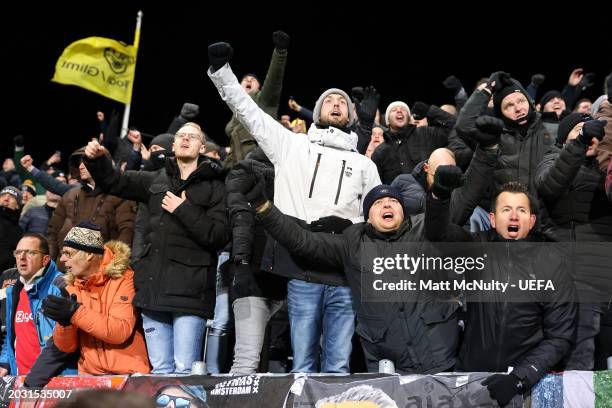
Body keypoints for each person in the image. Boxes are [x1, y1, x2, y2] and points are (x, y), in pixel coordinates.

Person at [208, 41, 381, 373]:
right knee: (301, 364)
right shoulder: (290, 144)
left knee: (337, 365)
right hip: (296, 264)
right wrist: (222, 72)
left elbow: (371, 217)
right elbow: (249, 112)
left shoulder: (363, 164)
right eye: (328, 100)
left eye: (342, 102)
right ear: (316, 112)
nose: (335, 104)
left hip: (340, 268)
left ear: (350, 115)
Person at [238, 177, 458, 374]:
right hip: (388, 368)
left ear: (403, 212)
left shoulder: (424, 230)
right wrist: (262, 205)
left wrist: (483, 155)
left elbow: (448, 214)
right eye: (378, 203)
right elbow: (301, 241)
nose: (387, 204)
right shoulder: (352, 244)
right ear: (368, 217)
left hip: (441, 361)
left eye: (394, 201)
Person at [82, 122, 229, 374]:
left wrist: (182, 209)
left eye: (192, 137)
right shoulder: (155, 179)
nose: (185, 140)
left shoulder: (216, 186)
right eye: (181, 136)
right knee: (160, 370)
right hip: (154, 291)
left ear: (202, 146)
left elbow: (218, 236)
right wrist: (98, 161)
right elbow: (114, 182)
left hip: (190, 293)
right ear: (173, 144)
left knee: (185, 370)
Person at [425, 181, 577, 406]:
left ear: (532, 221)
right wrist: (439, 197)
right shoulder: (476, 248)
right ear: (493, 219)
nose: (514, 216)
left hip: (527, 385)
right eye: (506, 210)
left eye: (521, 210)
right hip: (472, 379)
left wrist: (519, 378)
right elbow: (438, 235)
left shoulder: (552, 264)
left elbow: (560, 336)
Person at [536, 116, 609, 370]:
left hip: (605, 279)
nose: (589, 137)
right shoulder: (551, 159)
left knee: (602, 367)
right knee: (579, 362)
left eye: (592, 133)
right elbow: (549, 185)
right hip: (575, 279)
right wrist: (577, 144)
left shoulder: (606, 168)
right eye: (580, 131)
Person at [42, 222, 150, 375]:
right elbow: (67, 347)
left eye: (68, 253)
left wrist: (75, 313)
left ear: (89, 254)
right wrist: (64, 323)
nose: (63, 260)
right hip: (91, 376)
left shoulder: (123, 278)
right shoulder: (71, 287)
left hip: (129, 375)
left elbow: (119, 331)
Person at [0, 234, 76, 376]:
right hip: (22, 381)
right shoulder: (14, 292)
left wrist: (36, 379)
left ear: (45, 259)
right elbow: (11, 335)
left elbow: (64, 344)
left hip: (53, 381)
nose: (22, 257)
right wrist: (4, 362)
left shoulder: (60, 286)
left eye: (30, 252)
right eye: (18, 252)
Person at [46, 146, 136, 265]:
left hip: (99, 273)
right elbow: (53, 233)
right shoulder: (69, 195)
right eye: (79, 163)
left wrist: (113, 267)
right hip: (63, 271)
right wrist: (48, 265)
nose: (81, 166)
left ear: (103, 164)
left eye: (86, 162)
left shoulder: (120, 196)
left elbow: (126, 233)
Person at [223, 31, 290, 168]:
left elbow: (273, 80)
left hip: (260, 168)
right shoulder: (236, 106)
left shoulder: (263, 100)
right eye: (245, 79)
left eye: (253, 80)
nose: (248, 80)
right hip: (235, 169)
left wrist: (280, 52)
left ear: (259, 87)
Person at [371, 100, 455, 183]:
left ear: (409, 118)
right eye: (393, 110)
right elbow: (376, 185)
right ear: (387, 121)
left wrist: (430, 111)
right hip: (397, 196)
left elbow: (454, 126)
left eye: (403, 109)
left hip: (428, 195)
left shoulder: (425, 133)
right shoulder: (380, 152)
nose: (399, 110)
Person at [0, 186, 23, 272]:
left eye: (12, 196)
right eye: (3, 195)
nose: (6, 198)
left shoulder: (18, 230)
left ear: (17, 205)